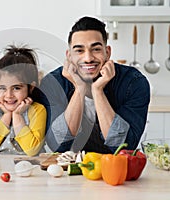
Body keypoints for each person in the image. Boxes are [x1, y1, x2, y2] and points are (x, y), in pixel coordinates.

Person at [35, 16, 150, 154]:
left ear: (107, 52)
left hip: (115, 168)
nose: (88, 58)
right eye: (79, 50)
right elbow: (58, 145)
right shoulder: (52, 83)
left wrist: (98, 90)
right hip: (67, 170)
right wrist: (79, 89)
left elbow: (124, 147)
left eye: (95, 49)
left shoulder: (133, 82)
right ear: (69, 55)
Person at [0, 45, 47, 156]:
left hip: (31, 169)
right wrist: (6, 116)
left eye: (16, 88)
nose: (9, 95)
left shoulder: (37, 110)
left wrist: (17, 116)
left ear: (31, 87)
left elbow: (31, 150)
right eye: (2, 88)